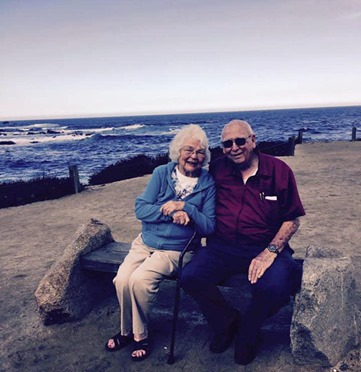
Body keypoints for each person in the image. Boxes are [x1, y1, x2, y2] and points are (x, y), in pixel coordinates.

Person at [181, 119, 305, 365]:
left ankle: (248, 330)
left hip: (266, 247)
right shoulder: (217, 170)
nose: (234, 148)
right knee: (190, 277)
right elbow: (185, 180)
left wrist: (269, 252)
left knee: (276, 288)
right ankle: (226, 322)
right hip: (221, 247)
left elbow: (292, 220)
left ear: (253, 140)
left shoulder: (279, 171)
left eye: (240, 141)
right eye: (227, 143)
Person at [105, 124, 216, 361]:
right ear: (178, 151)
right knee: (122, 279)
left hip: (178, 250)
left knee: (140, 281)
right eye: (189, 149)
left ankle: (141, 336)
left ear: (205, 157)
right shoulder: (161, 174)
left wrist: (187, 208)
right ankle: (127, 332)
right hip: (145, 242)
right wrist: (169, 212)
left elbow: (209, 226)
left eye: (200, 152)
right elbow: (140, 209)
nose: (194, 156)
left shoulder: (208, 183)